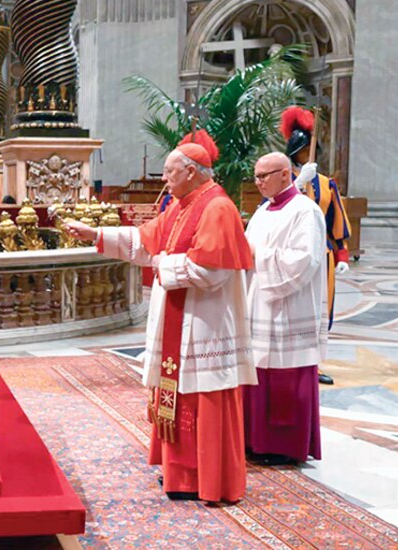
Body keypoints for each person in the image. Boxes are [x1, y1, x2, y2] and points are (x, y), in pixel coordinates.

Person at [63, 130, 255, 504]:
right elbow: (142, 240)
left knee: (203, 398)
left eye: (169, 171)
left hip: (204, 323)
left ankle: (209, 478)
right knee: (177, 396)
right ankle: (181, 474)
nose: (163, 179)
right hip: (179, 321)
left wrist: (161, 263)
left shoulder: (217, 208)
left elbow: (211, 271)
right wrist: (93, 234)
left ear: (192, 171)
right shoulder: (182, 206)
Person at [243, 152, 327, 466]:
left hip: (288, 308)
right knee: (258, 374)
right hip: (259, 303)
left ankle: (284, 446)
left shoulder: (306, 211)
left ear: (285, 174)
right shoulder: (263, 211)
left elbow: (304, 260)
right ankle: (255, 440)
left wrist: (254, 255)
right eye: (256, 176)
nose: (259, 182)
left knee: (284, 378)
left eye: (264, 175)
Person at [281, 106, 351, 386]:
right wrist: (297, 184)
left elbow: (337, 220)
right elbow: (271, 209)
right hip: (292, 255)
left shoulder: (326, 184)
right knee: (295, 307)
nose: (306, 152)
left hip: (323, 256)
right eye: (303, 148)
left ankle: (314, 363)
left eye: (310, 147)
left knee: (321, 310)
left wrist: (342, 254)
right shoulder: (283, 180)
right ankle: (290, 360)